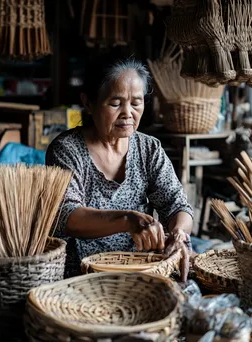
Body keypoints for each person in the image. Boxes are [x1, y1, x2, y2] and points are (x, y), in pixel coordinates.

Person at [46, 54, 193, 277]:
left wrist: (179, 233)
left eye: (136, 103)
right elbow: (67, 216)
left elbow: (177, 204)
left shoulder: (148, 149)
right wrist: (127, 220)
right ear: (88, 102)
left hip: (140, 268)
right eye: (115, 103)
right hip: (80, 273)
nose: (128, 113)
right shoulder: (67, 149)